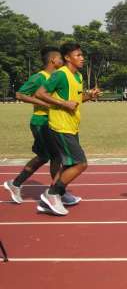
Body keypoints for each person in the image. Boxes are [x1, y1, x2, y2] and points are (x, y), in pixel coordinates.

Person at [33, 43, 101, 215]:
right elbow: (40, 93)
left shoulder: (77, 76)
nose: (82, 58)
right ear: (67, 58)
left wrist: (89, 96)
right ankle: (53, 194)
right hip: (60, 126)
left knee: (68, 164)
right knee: (81, 164)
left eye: (82, 55)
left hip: (72, 126)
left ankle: (54, 196)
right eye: (78, 55)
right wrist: (63, 104)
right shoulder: (60, 74)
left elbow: (74, 101)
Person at [3, 47, 63, 206]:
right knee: (57, 157)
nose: (63, 61)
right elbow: (20, 94)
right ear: (53, 61)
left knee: (44, 156)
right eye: (60, 59)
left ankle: (15, 184)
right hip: (40, 122)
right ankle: (55, 192)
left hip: (52, 122)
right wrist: (44, 103)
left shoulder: (57, 77)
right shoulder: (39, 77)